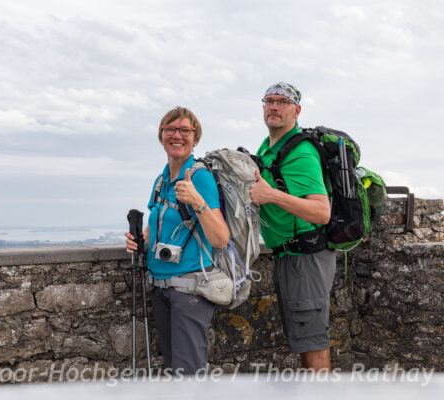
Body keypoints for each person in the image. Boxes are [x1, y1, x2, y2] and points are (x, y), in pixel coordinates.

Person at [125, 106, 230, 375]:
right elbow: (153, 231)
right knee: (174, 371)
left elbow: (220, 238)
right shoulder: (161, 180)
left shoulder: (200, 177)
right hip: (161, 289)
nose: (177, 135)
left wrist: (196, 200)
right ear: (161, 136)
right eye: (170, 129)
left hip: (190, 291)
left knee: (188, 375)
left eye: (185, 130)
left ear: (195, 138)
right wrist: (137, 242)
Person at [250, 82, 336, 372]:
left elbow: (322, 212)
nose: (274, 106)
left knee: (313, 344)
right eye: (269, 100)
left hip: (307, 258)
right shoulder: (268, 146)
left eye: (283, 102)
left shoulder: (301, 152)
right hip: (289, 257)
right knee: (302, 340)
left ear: (297, 111)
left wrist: (271, 195)